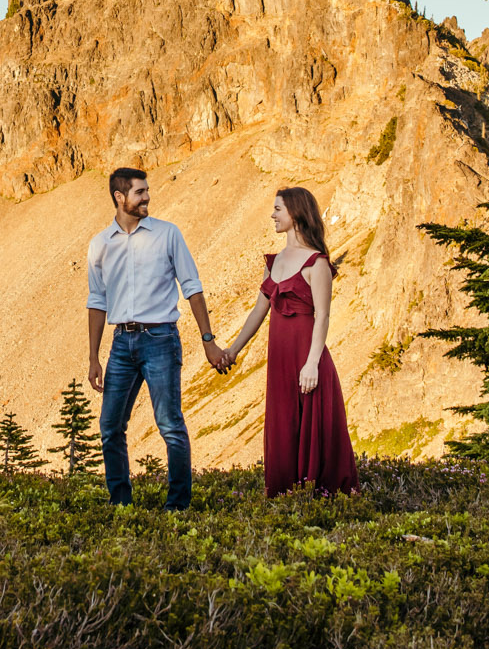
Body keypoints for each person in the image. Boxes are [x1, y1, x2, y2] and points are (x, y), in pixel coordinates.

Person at [86, 166, 230, 510]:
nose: (147, 197)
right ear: (120, 198)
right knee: (110, 426)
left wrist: (208, 340)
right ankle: (120, 502)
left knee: (169, 423)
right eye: (140, 192)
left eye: (147, 190)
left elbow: (192, 287)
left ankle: (177, 506)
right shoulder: (99, 245)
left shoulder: (168, 234)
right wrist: (94, 357)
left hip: (161, 339)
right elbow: (96, 301)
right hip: (121, 343)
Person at [217, 186, 358, 496]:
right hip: (280, 361)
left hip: (308, 360)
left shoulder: (317, 263)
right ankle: (285, 499)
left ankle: (323, 499)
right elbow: (258, 311)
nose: (272, 215)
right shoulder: (275, 261)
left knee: (315, 429)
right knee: (284, 426)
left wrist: (311, 365)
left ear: (294, 213)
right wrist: (232, 350)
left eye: (278, 209)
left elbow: (323, 316)